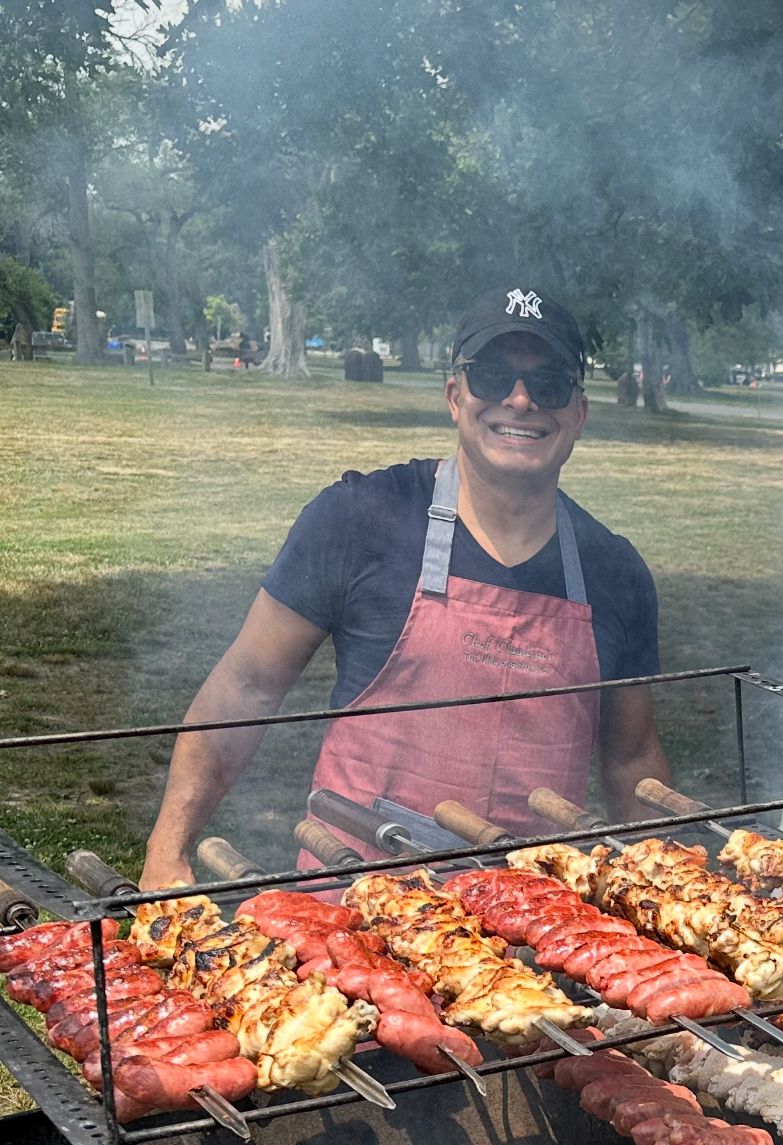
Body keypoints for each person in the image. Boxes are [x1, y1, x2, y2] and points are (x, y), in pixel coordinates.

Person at [140, 285, 671, 888]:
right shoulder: (359, 519)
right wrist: (168, 852)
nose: (520, 400)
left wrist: (666, 887)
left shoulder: (615, 572)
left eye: (548, 384)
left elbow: (631, 756)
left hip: (536, 925)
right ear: (454, 395)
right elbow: (244, 689)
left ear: (578, 412)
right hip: (357, 909)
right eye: (492, 376)